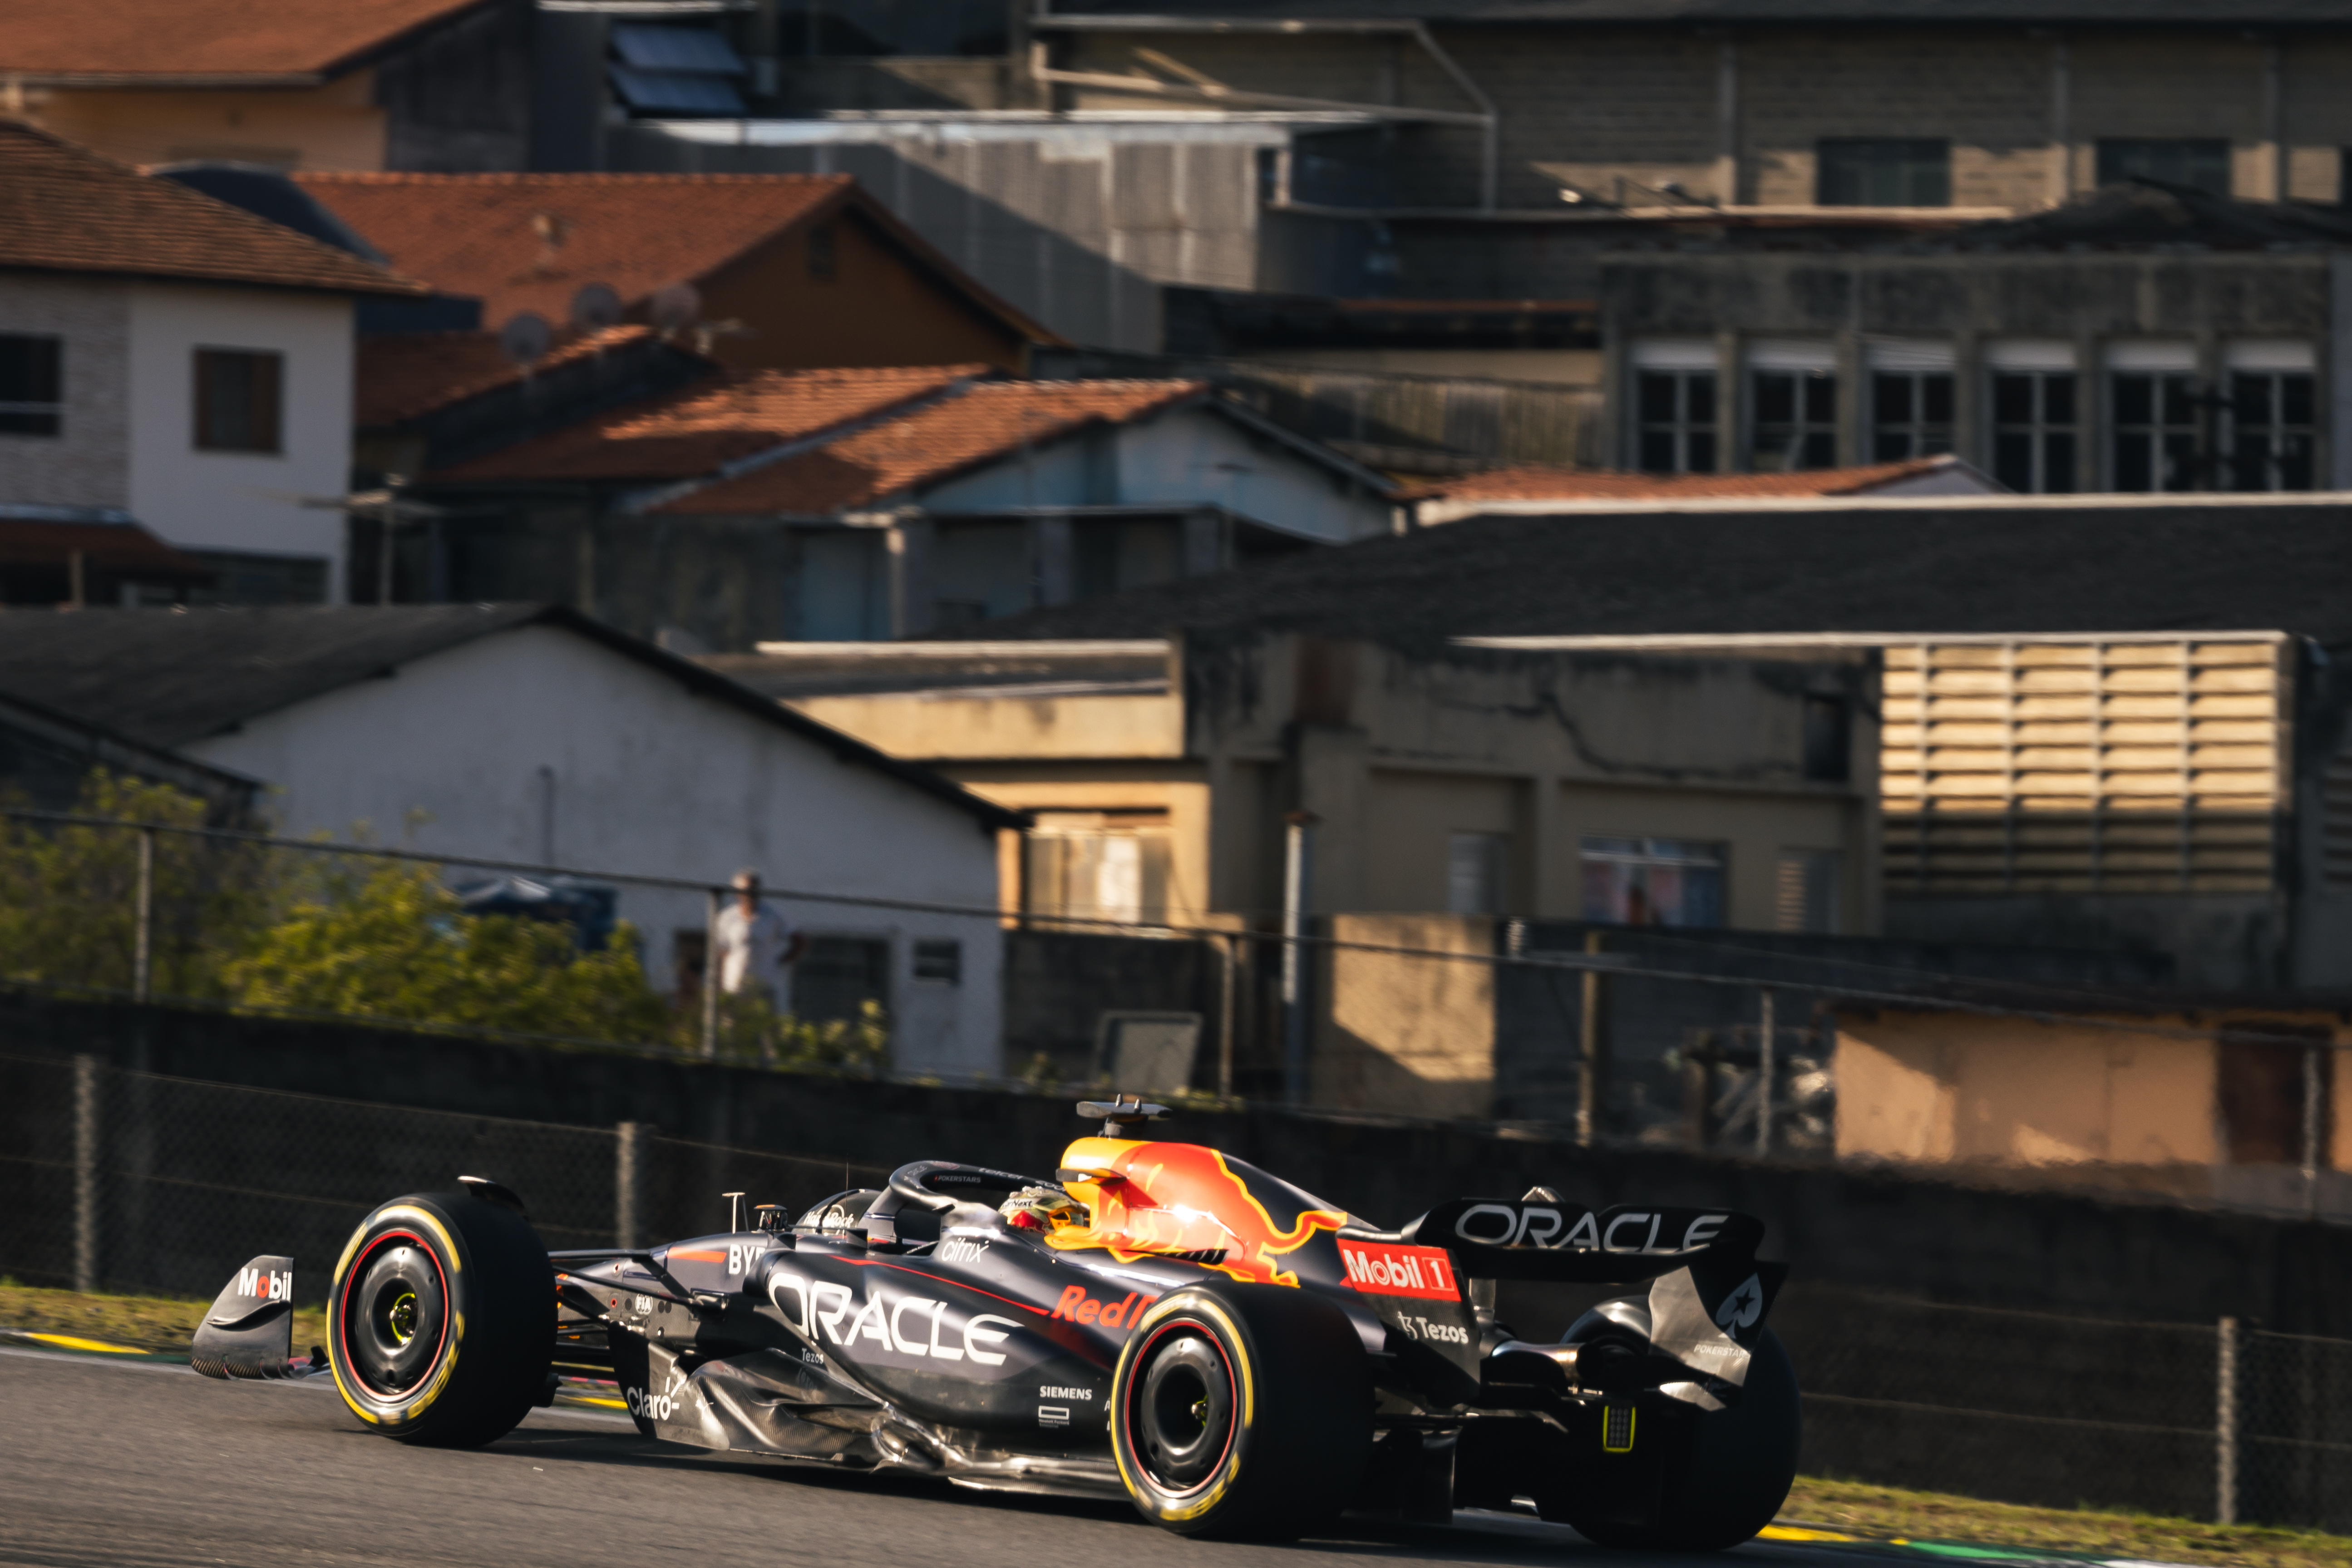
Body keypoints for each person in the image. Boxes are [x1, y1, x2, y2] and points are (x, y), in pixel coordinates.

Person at [710, 869, 806, 1004]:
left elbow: (799, 940)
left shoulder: (772, 915)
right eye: (747, 890)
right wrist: (718, 986)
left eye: (755, 891)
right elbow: (721, 953)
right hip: (734, 989)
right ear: (738, 893)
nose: (751, 895)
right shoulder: (728, 918)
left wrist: (779, 962)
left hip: (763, 988)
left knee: (763, 1024)